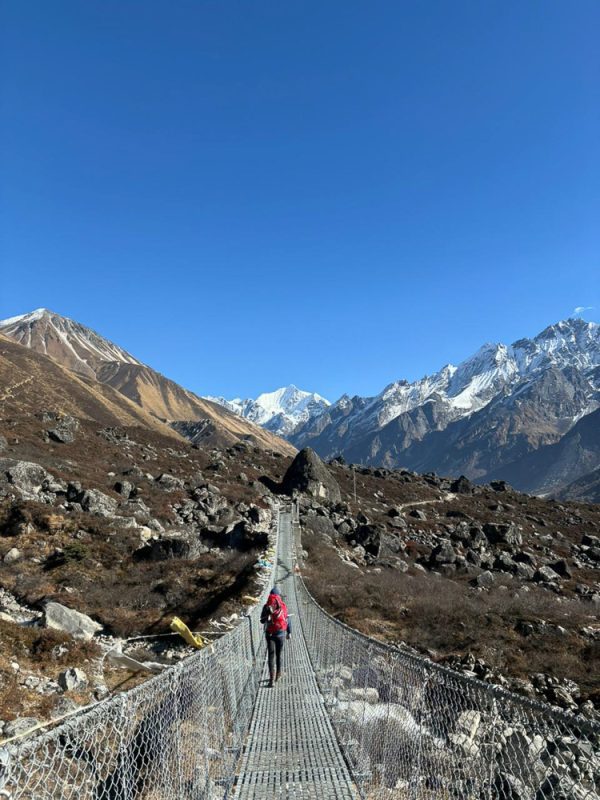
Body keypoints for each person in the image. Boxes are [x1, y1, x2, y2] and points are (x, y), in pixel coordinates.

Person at [260, 586, 291, 688]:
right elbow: (287, 619)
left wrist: (267, 615)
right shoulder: (283, 606)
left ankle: (271, 680)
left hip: (270, 634)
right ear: (278, 596)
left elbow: (262, 621)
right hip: (280, 634)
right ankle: (278, 675)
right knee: (278, 655)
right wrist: (289, 632)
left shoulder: (266, 606)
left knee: (271, 656)